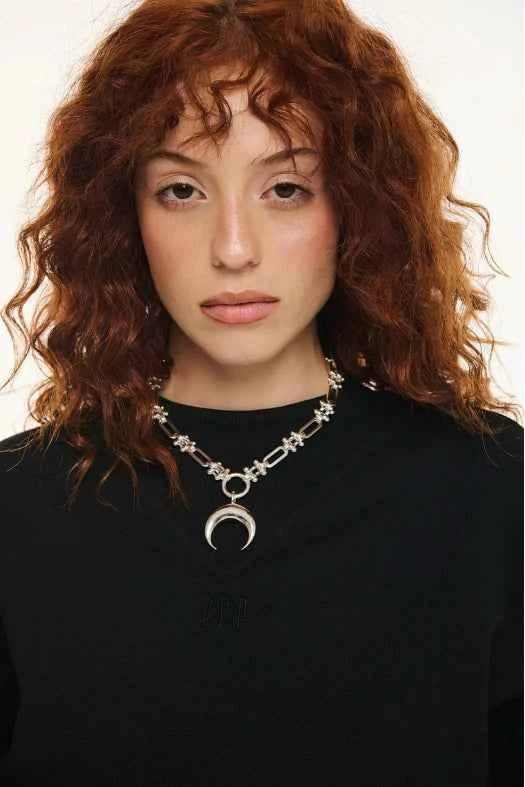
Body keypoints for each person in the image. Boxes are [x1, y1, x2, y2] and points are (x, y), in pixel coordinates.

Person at [0, 1, 522, 785]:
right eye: (181, 190)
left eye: (285, 189)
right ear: (122, 215)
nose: (233, 249)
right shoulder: (16, 505)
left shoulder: (493, 488)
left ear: (357, 207)